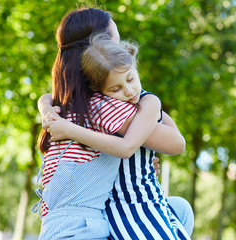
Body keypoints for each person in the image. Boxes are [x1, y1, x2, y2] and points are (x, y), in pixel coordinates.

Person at [34, 7, 193, 240]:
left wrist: (45, 107)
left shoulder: (68, 100)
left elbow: (45, 98)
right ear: (101, 51)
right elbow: (176, 144)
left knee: (179, 209)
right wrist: (149, 104)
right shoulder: (106, 105)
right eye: (116, 40)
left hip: (69, 223)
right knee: (178, 213)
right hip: (80, 227)